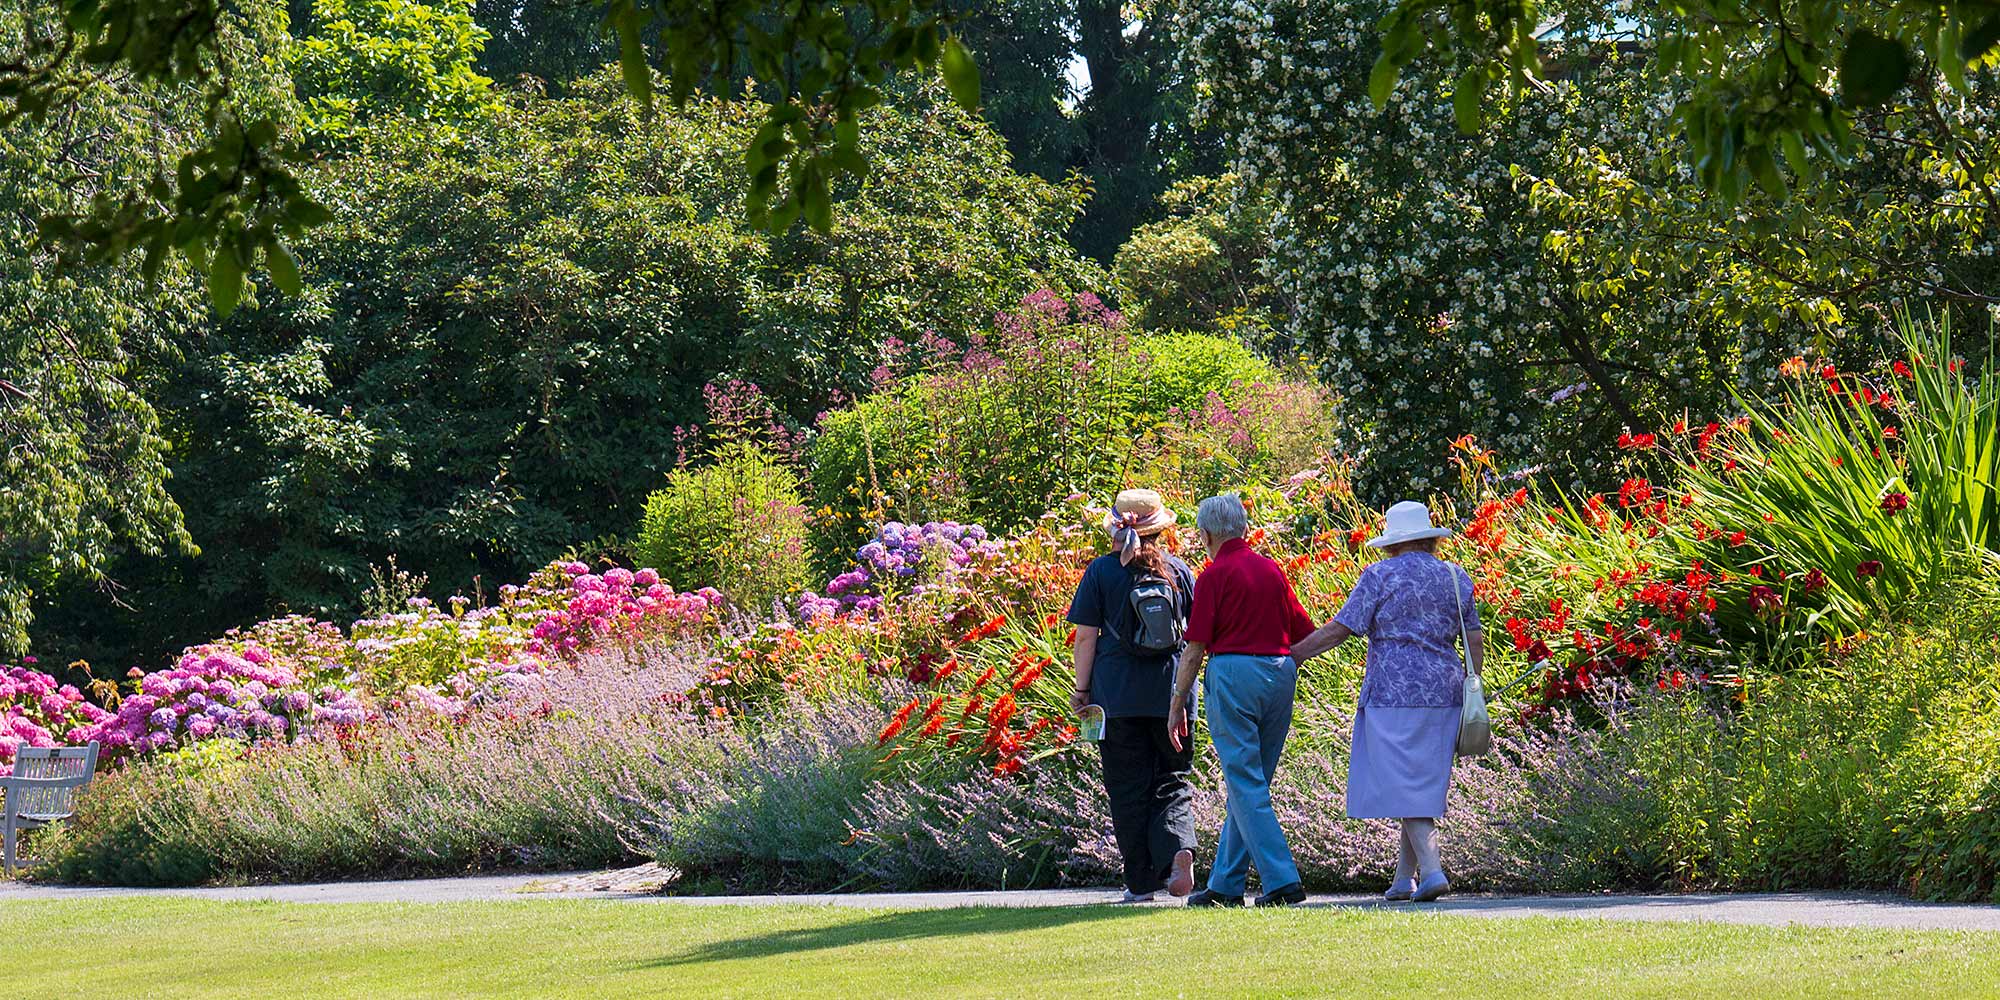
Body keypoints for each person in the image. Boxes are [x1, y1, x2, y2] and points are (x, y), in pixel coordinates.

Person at [1292, 500, 1484, 903]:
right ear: (1429, 539)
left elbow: (1341, 628)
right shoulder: (1454, 576)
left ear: (1392, 543)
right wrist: (1473, 683)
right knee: (1418, 781)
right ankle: (1404, 878)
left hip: (1393, 693)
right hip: (1445, 692)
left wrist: (1292, 655)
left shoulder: (1379, 575)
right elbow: (1474, 639)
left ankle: (1432, 871)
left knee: (1404, 783)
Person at [1167, 493, 1318, 908]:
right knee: (1251, 783)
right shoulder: (1271, 571)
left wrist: (1178, 701)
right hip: (1279, 672)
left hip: (1234, 673)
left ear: (1207, 534)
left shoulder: (1215, 575)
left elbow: (1195, 648)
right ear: (1243, 528)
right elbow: (1304, 631)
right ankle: (1226, 885)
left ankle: (1283, 880)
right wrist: (1283, 664)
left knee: (1245, 781)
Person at [1067, 488, 1200, 902]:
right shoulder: (1179, 572)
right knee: (1172, 779)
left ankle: (1141, 884)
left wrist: (1082, 689)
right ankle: (1178, 848)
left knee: (1127, 788)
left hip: (1116, 698)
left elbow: (1086, 636)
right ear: (1160, 530)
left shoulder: (1101, 572)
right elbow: (1195, 639)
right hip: (1172, 695)